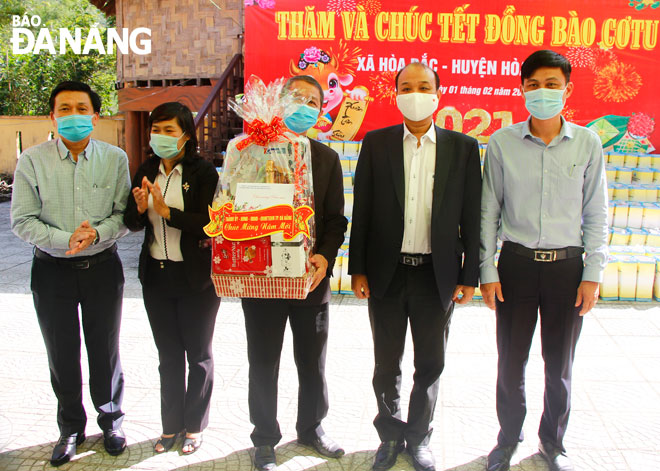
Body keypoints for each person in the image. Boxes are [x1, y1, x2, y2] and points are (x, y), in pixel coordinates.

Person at [348, 62, 482, 471]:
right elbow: (364, 209)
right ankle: (389, 437)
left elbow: (472, 216)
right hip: (386, 273)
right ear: (396, 95)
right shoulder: (376, 143)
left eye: (424, 86)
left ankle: (419, 437)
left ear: (438, 93)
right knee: (386, 363)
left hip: (436, 275)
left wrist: (469, 275)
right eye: (407, 86)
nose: (415, 92)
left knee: (430, 362)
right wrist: (358, 269)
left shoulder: (463, 147)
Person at [480, 50, 608, 471]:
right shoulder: (501, 144)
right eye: (533, 85)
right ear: (522, 90)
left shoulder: (588, 143)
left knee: (560, 363)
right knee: (510, 359)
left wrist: (592, 273)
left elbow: (596, 213)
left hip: (567, 270)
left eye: (552, 85)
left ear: (568, 90)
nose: (542, 93)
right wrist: (487, 269)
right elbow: (488, 213)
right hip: (515, 265)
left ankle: (552, 442)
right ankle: (507, 438)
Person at [11, 81, 130, 466]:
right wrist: (67, 239)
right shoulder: (32, 160)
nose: (73, 115)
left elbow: (122, 216)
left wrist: (96, 233)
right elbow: (22, 220)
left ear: (95, 116)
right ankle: (71, 428)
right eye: (64, 109)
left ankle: (111, 420)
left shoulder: (114, 159)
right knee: (61, 352)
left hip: (102, 268)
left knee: (104, 348)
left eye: (82, 108)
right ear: (52, 116)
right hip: (51, 272)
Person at [241, 75, 348, 471]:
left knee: (312, 358)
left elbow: (336, 220)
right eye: (296, 97)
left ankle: (312, 427)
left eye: (312, 101)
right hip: (261, 278)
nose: (304, 105)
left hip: (309, 279)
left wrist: (324, 257)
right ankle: (265, 438)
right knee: (263, 360)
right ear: (279, 102)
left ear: (321, 111)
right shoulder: (249, 152)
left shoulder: (326, 158)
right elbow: (232, 208)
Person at [123, 102, 221, 455]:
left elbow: (211, 224)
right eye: (156, 130)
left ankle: (194, 426)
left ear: (185, 135)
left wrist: (168, 212)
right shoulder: (146, 170)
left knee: (198, 355)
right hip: (157, 277)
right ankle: (170, 427)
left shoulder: (204, 172)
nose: (161, 137)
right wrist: (138, 209)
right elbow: (132, 223)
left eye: (169, 130)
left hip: (196, 278)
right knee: (168, 356)